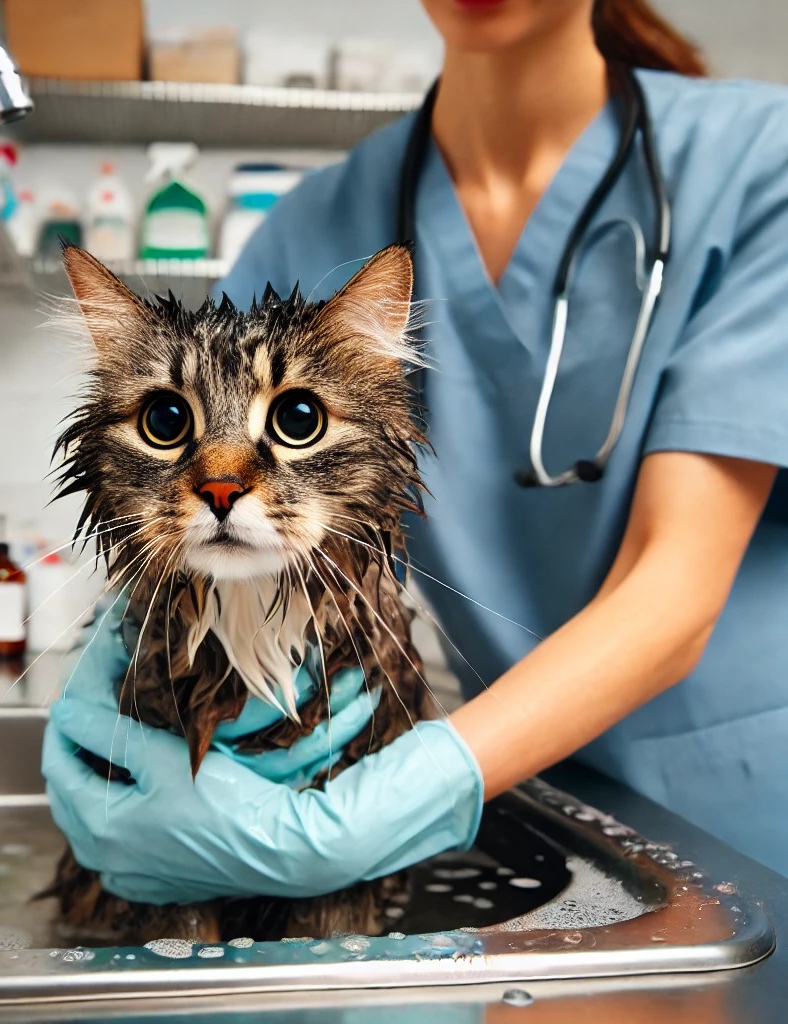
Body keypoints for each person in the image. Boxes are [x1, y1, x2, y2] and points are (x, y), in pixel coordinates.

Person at [43, 0, 788, 904]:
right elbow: (204, 482)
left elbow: (672, 585)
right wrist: (114, 676)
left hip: (740, 809)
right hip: (524, 799)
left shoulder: (762, 158)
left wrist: (403, 793)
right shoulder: (316, 222)